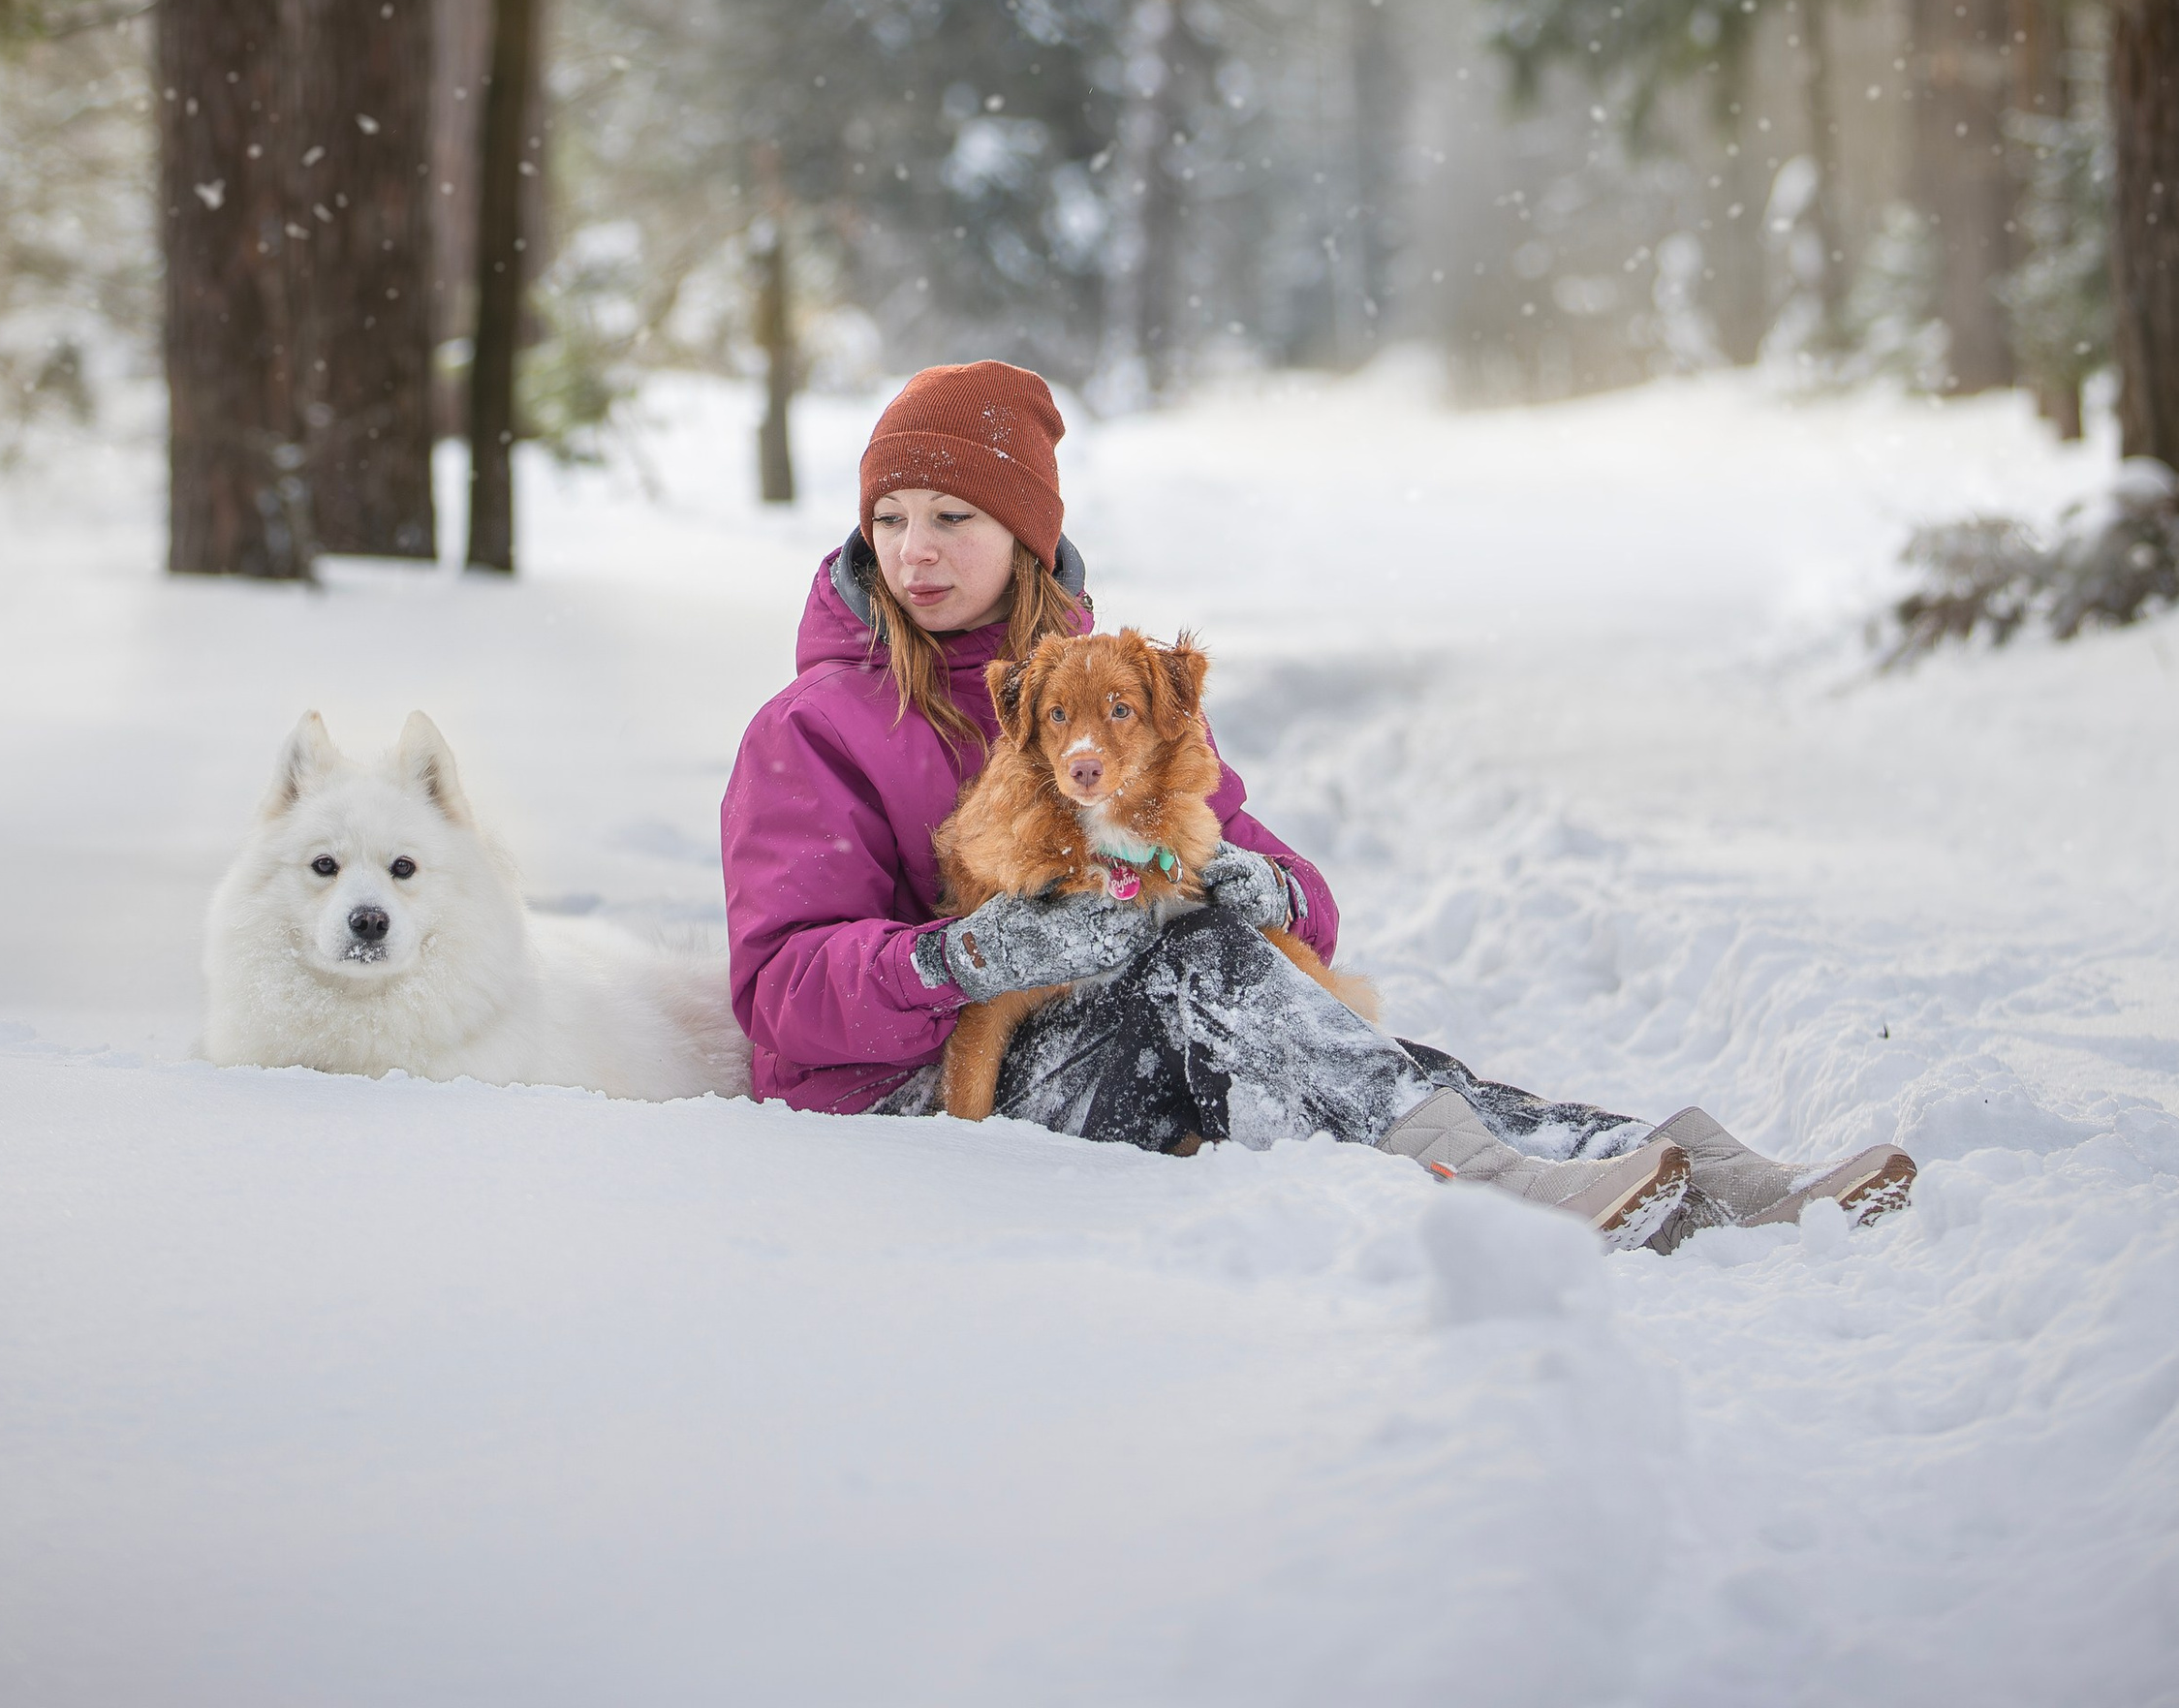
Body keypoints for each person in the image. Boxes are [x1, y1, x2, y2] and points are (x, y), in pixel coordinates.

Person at [718, 359, 1915, 1249]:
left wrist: (1272, 884)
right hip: (921, 1104)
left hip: (1118, 1039)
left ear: (1026, 535)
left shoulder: (1111, 692)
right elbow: (779, 995)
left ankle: (1667, 1166)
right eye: (887, 519)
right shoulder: (813, 730)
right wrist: (964, 954)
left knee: (1276, 999)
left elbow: (1256, 863)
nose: (912, 552)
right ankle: (1507, 1182)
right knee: (1202, 973)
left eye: (951, 517)